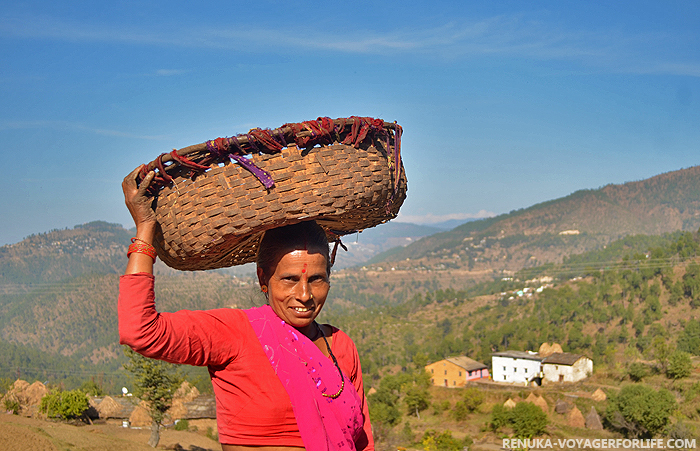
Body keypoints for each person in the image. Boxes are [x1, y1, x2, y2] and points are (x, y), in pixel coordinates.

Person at [119, 166, 374, 450]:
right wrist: (145, 230)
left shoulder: (341, 347)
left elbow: (363, 441)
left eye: (317, 279)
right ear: (263, 278)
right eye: (289, 279)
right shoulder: (234, 332)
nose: (304, 294)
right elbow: (138, 330)